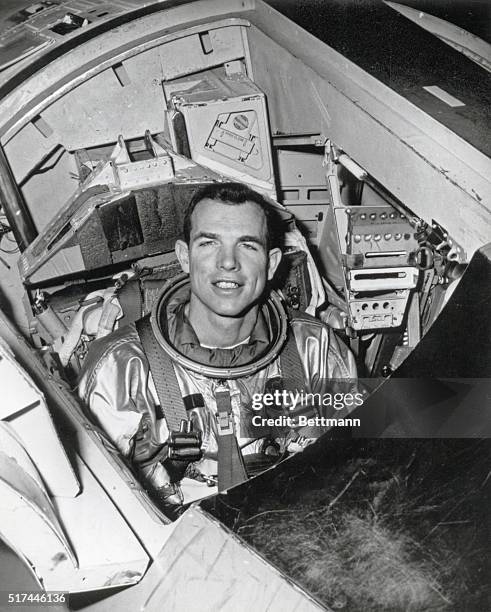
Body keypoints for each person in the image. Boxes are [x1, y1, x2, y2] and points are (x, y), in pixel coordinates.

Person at [78, 182, 356, 512]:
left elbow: (352, 472)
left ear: (271, 264)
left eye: (248, 246)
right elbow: (100, 510)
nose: (228, 262)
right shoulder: (120, 370)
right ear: (185, 256)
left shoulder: (316, 351)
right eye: (209, 243)